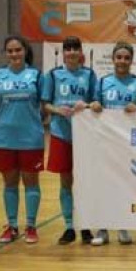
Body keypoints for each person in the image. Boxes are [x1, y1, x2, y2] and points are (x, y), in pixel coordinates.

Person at [90, 42, 136, 246]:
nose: (122, 61)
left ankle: (122, 226)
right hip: (106, 142)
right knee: (104, 186)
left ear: (132, 61)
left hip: (128, 144)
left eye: (126, 58)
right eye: (119, 57)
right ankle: (102, 228)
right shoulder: (102, 82)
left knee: (125, 186)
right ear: (113, 59)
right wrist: (94, 104)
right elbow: (93, 106)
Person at [41, 36, 97, 246]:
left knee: (84, 182)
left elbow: (96, 102)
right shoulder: (53, 75)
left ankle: (86, 226)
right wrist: (58, 110)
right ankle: (69, 226)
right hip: (61, 134)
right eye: (68, 49)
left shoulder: (89, 75)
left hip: (84, 137)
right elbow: (45, 104)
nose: (72, 52)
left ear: (81, 52)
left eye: (75, 49)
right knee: (66, 181)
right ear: (63, 53)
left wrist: (87, 105)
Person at [0, 36, 46, 245]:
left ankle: (31, 226)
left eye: (18, 50)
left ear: (25, 51)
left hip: (31, 138)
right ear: (5, 53)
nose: (14, 54)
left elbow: (44, 106)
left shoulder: (36, 75)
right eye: (10, 51)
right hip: (5, 138)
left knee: (31, 183)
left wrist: (32, 121)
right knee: (10, 183)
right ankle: (12, 226)